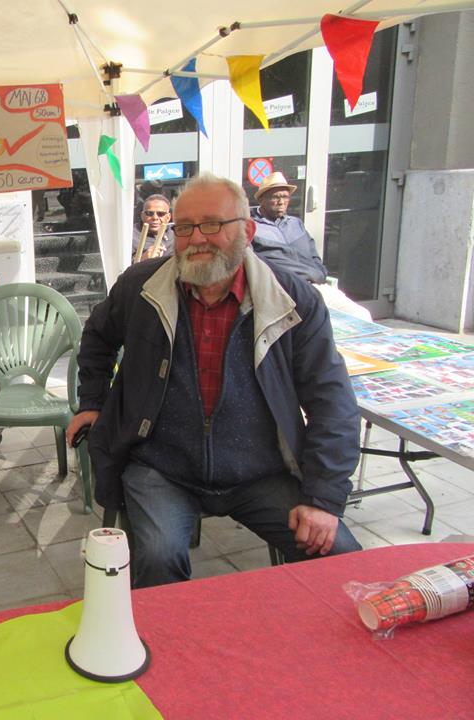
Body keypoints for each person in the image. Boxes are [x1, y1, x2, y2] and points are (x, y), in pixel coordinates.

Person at [66, 173, 362, 588]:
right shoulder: (141, 288)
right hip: (161, 467)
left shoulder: (292, 299)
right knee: (158, 557)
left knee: (342, 559)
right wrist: (92, 402)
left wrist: (323, 500)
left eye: (211, 224)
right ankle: (171, 648)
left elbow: (332, 402)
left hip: (260, 472)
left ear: (247, 230)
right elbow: (97, 337)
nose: (196, 238)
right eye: (184, 227)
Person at [251, 172, 371, 320]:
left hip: (316, 286)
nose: (281, 202)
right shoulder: (252, 227)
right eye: (276, 197)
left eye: (285, 197)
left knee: (361, 315)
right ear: (262, 199)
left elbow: (314, 256)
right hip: (286, 291)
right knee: (320, 322)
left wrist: (319, 273)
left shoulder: (296, 224)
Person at [132, 194, 174, 261]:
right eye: (149, 213)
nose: (155, 218)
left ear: (168, 217)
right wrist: (141, 259)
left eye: (160, 214)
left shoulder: (175, 232)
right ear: (142, 216)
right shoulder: (130, 236)